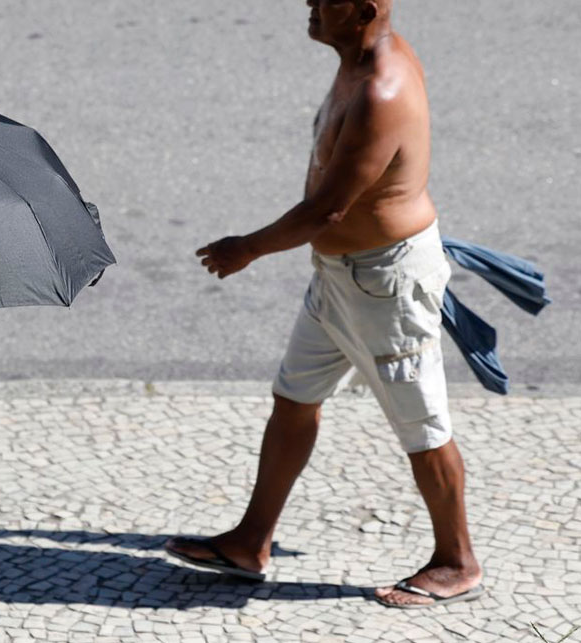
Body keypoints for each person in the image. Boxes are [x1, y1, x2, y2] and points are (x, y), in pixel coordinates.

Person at [165, 0, 485, 608]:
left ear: (362, 11)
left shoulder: (382, 90)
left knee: (423, 426)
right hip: (341, 276)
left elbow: (328, 209)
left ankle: (457, 561)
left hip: (385, 285)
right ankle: (251, 541)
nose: (309, 4)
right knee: (294, 398)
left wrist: (246, 248)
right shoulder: (357, 61)